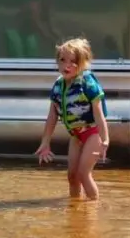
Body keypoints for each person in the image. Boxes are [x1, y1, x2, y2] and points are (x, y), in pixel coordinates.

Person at [35, 37, 108, 200]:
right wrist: (45, 142)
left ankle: (93, 210)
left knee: (83, 173)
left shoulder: (87, 83)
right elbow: (52, 115)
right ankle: (75, 211)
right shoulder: (59, 85)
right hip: (76, 135)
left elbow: (98, 113)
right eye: (62, 60)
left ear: (83, 63)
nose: (66, 65)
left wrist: (105, 140)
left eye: (73, 61)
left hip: (93, 133)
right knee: (72, 176)